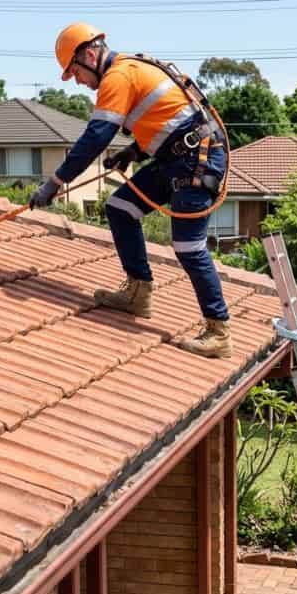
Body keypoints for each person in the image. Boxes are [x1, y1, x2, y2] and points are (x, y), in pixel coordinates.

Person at [29, 23, 232, 358]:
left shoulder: (118, 77)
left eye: (75, 72)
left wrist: (55, 183)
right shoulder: (130, 70)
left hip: (196, 161)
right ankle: (138, 293)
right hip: (177, 158)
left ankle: (219, 330)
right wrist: (134, 152)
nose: (78, 81)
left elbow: (96, 136)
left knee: (188, 247)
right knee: (120, 208)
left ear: (89, 55)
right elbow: (167, 119)